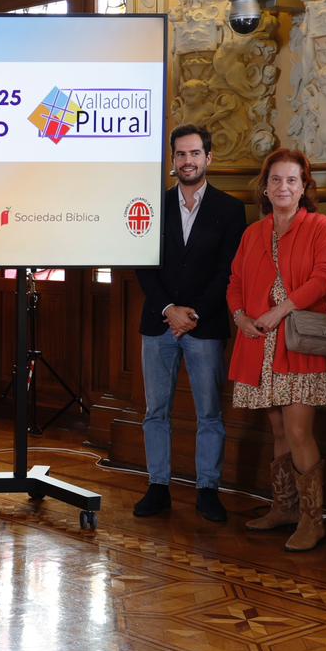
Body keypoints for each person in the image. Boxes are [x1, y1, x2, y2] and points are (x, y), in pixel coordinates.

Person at [227, 148, 326, 552]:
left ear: (304, 186)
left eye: (292, 180)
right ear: (265, 186)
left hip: (300, 342)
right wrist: (240, 316)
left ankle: (313, 521)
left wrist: (281, 309)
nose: (283, 187)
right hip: (259, 342)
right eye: (275, 179)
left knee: (298, 431)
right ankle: (284, 508)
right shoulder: (253, 233)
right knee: (277, 430)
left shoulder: (320, 226)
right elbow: (235, 281)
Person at [133, 125, 248, 521]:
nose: (188, 161)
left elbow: (228, 271)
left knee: (210, 413)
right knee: (155, 411)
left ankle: (207, 491)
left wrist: (192, 313)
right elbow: (143, 264)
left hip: (205, 325)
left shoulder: (230, 210)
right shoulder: (153, 205)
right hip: (158, 322)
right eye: (181, 154)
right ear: (173, 159)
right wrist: (169, 309)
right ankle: (158, 487)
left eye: (195, 153)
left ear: (208, 158)